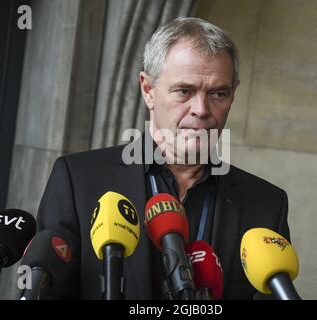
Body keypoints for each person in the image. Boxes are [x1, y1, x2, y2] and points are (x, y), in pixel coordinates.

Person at [37, 17, 290, 299]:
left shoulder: (267, 205)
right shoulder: (78, 180)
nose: (201, 109)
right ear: (148, 90)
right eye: (184, 91)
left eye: (219, 93)